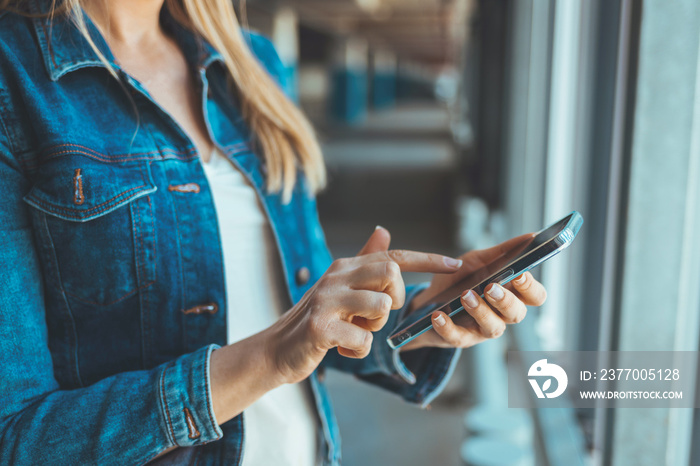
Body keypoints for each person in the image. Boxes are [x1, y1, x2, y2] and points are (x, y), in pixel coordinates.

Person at [0, 0, 548, 464]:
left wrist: (422, 319)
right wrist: (268, 357)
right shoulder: (14, 80)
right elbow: (16, 436)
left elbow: (305, 317)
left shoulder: (252, 65)